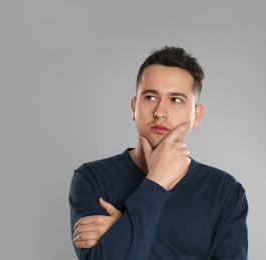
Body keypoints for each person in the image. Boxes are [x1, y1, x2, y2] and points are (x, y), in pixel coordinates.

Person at [69, 46, 248, 259]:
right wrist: (157, 181)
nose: (159, 112)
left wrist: (120, 229)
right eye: (151, 97)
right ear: (134, 107)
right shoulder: (92, 178)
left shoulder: (226, 191)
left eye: (176, 99)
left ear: (196, 116)